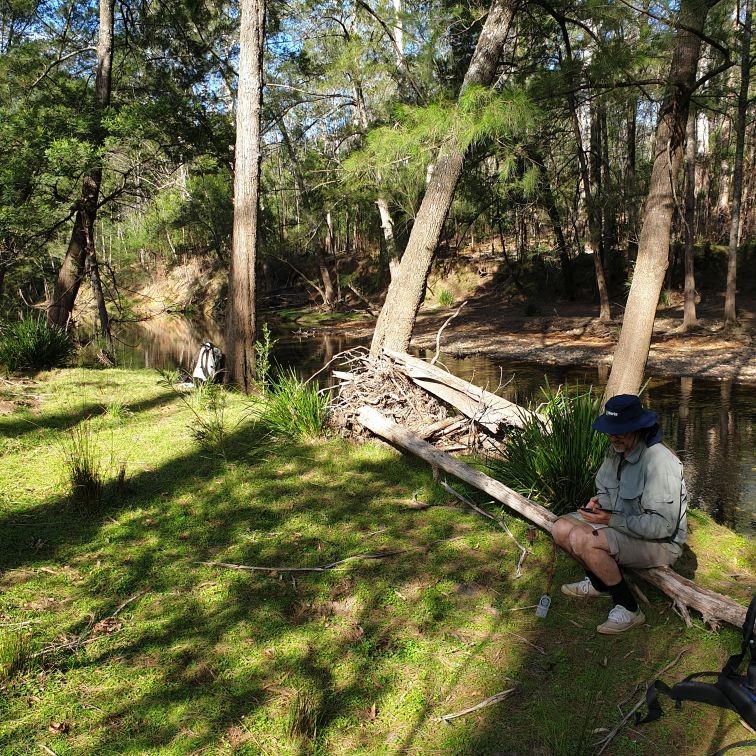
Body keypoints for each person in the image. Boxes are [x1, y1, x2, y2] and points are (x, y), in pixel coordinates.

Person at [552, 394, 688, 634]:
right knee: (560, 528)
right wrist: (598, 503)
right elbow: (606, 489)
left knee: (584, 538)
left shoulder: (661, 463)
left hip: (660, 544)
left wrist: (610, 519)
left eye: (620, 431)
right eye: (610, 431)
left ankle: (628, 607)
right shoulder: (617, 449)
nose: (613, 436)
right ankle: (597, 583)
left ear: (637, 427)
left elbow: (663, 527)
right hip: (624, 526)